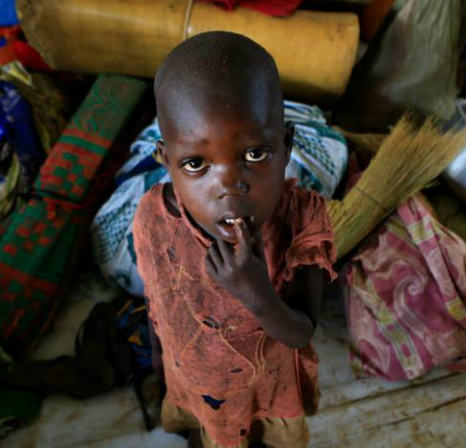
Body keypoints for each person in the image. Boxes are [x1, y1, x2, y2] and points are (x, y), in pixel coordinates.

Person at [132, 31, 337, 448]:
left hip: (268, 387)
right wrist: (160, 361)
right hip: (194, 377)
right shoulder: (154, 217)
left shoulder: (302, 220)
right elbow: (159, 300)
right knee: (206, 430)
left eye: (255, 154)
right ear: (166, 162)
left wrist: (257, 293)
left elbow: (301, 333)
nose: (228, 186)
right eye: (195, 164)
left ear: (286, 145)